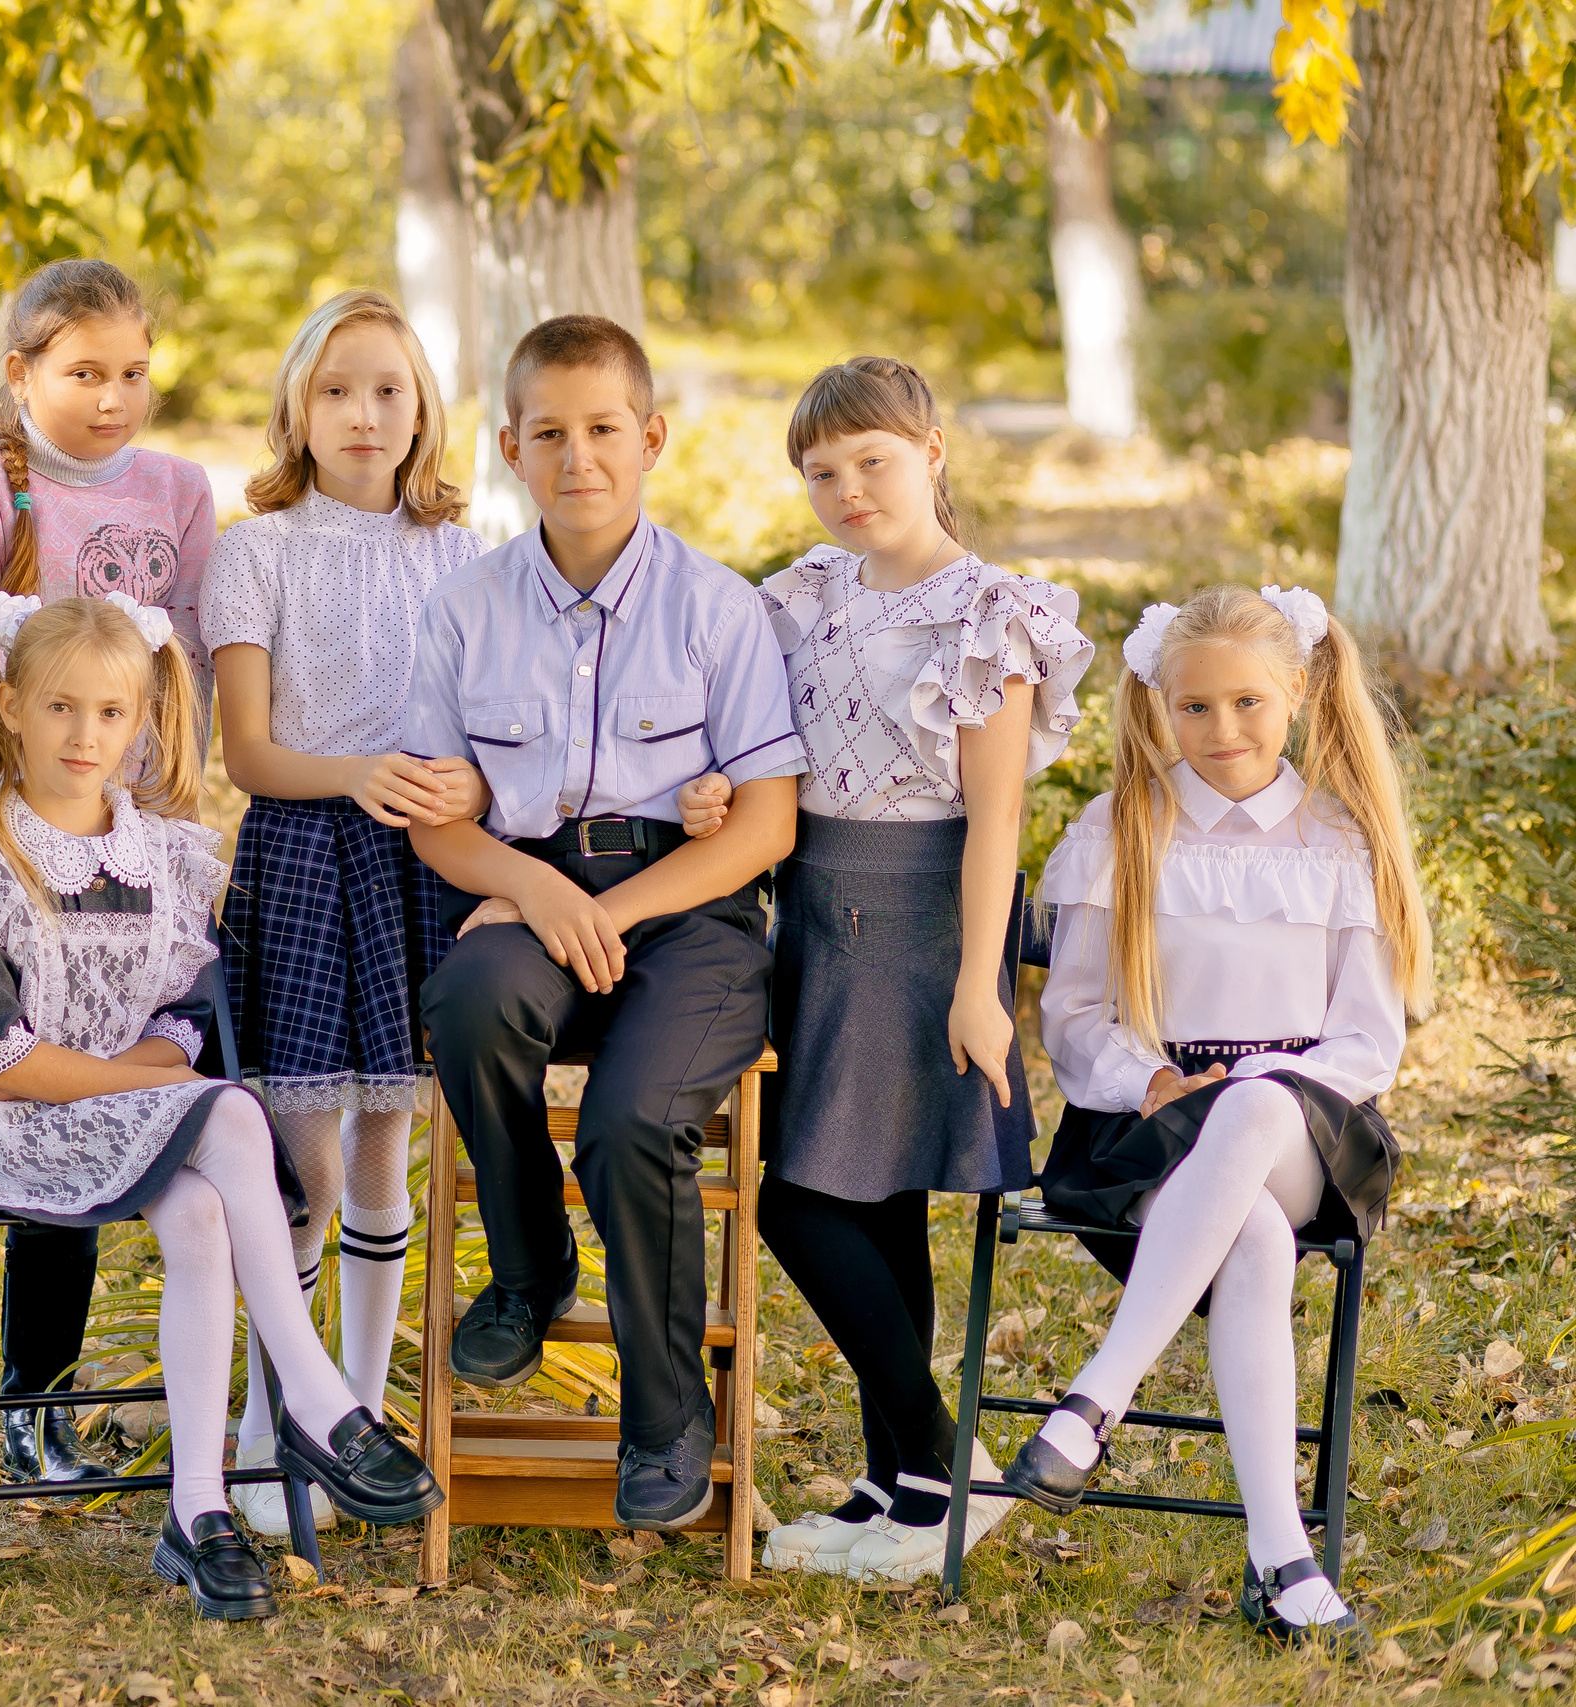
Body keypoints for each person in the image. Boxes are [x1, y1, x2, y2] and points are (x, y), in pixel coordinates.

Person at [0, 593, 442, 1620]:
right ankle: (319, 1400)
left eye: (110, 712)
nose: (84, 735)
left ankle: (198, 1510)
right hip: (22, 1135)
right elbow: (5, 1064)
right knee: (228, 1113)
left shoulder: (162, 857)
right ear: (9, 707)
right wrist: (163, 1088)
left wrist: (162, 1082)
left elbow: (184, 1019)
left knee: (198, 1211)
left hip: (136, 1119)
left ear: (140, 718)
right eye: (59, 707)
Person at [683, 357, 1094, 1581]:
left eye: (872, 460)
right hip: (812, 911)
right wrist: (713, 793)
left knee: (798, 1200)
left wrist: (979, 986)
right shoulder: (806, 594)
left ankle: (943, 1461)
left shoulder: (986, 615)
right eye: (821, 472)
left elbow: (995, 820)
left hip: (921, 924)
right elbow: (762, 750)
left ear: (931, 452)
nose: (848, 489)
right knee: (873, 1202)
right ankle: (899, 1487)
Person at [402, 314, 805, 1532]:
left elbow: (763, 826)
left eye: (603, 430)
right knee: (469, 1000)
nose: (578, 457)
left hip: (688, 915)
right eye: (549, 434)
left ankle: (665, 1415)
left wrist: (605, 910)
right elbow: (436, 824)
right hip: (527, 891)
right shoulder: (464, 608)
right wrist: (538, 894)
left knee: (632, 1122)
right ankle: (529, 1271)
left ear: (651, 439)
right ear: (511, 448)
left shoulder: (717, 610)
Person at [1001, 583, 1426, 1652]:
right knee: (1253, 1242)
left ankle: (1095, 1400)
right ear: (1160, 705)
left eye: (1247, 702)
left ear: (1297, 693)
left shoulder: (1340, 840)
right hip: (1149, 1129)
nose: (1222, 729)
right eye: (1194, 707)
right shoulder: (1120, 828)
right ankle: (1285, 1563)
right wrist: (1146, 1078)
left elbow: (1366, 1043)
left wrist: (1258, 1084)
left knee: (1255, 1112)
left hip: (1306, 1128)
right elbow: (1075, 1017)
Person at [0, 258, 219, 1487]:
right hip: (10, 841)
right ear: (20, 372)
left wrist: (152, 838)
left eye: (134, 373)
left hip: (125, 851)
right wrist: (24, 826)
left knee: (104, 1081)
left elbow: (180, 678)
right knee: (46, 1084)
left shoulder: (178, 491)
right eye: (85, 372)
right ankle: (32, 1400)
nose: (113, 398)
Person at [203, 289, 489, 1536]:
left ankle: (363, 1418)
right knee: (302, 1163)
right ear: (296, 411)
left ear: (421, 409)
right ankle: (280, 1417)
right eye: (335, 391)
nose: (363, 414)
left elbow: (492, 727)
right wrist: (359, 773)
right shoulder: (257, 551)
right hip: (306, 852)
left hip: (425, 856)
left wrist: (458, 788)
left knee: (385, 1145)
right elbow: (248, 754)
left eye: (386, 390)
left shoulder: (463, 555)